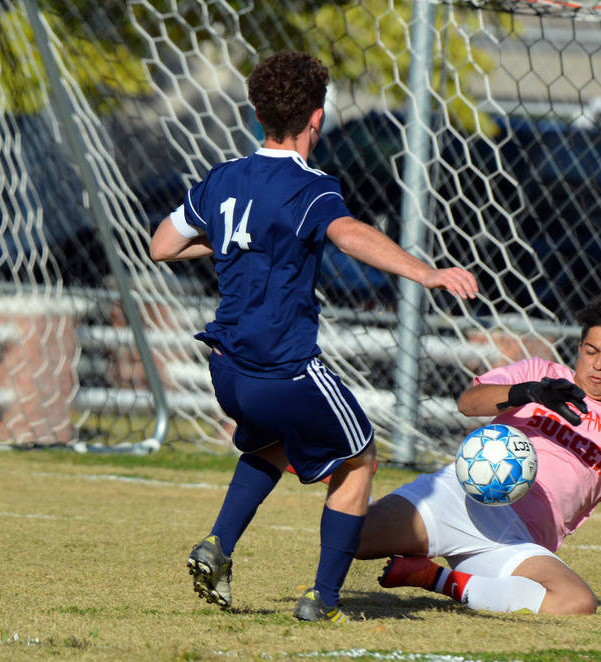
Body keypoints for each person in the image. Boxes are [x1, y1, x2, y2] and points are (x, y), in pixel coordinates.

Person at [148, 50, 479, 623]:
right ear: (317, 119)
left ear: (258, 116)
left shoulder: (224, 177)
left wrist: (230, 245)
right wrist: (426, 273)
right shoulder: (312, 187)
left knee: (272, 444)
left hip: (228, 368)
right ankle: (323, 600)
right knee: (360, 458)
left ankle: (217, 547)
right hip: (285, 368)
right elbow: (348, 233)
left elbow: (162, 246)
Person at [355, 293, 601, 615]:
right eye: (591, 351)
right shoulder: (541, 372)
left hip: (515, 539)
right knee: (351, 539)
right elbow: (468, 404)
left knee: (576, 603)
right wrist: (527, 391)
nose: (598, 364)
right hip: (461, 497)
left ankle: (435, 578)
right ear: (579, 348)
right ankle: (348, 472)